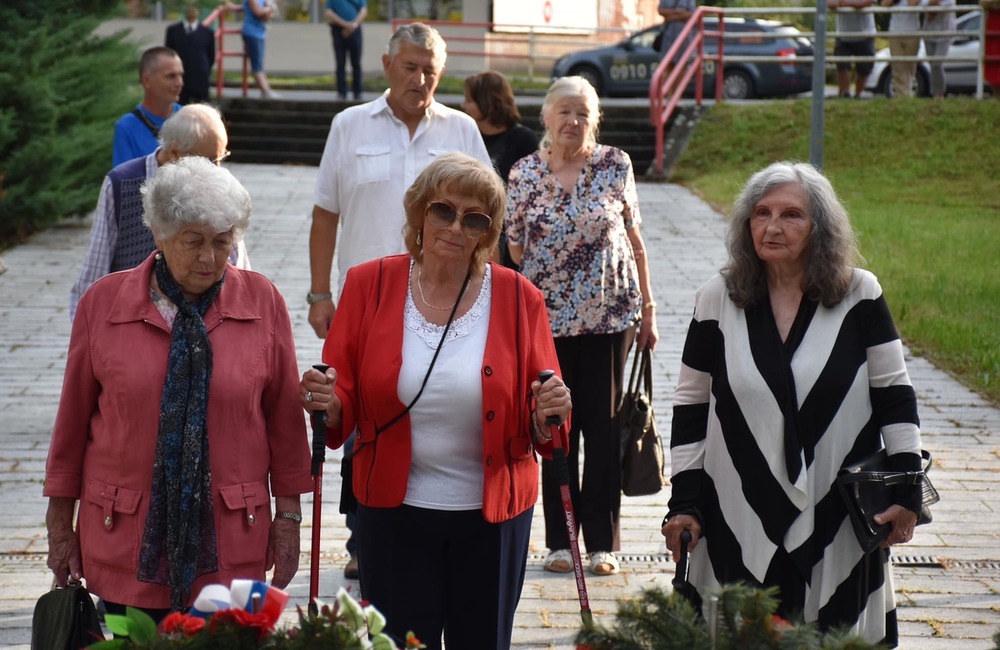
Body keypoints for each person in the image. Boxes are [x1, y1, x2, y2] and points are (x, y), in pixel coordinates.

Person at [299, 152, 572, 650]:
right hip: (392, 512)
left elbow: (548, 424)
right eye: (443, 210)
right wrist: (325, 399)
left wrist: (547, 408)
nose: (455, 226)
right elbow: (341, 394)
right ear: (420, 213)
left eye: (474, 218)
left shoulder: (519, 297)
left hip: (493, 515)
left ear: (487, 233)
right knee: (400, 643)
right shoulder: (368, 284)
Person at [660, 161, 924, 647]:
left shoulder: (859, 295)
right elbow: (690, 407)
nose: (773, 227)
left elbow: (894, 394)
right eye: (761, 213)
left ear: (820, 229)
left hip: (838, 518)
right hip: (735, 515)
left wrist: (907, 490)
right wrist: (686, 500)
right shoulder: (717, 298)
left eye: (791, 215)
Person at [45, 156, 312, 620]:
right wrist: (59, 528)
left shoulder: (263, 301)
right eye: (194, 242)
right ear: (160, 234)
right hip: (124, 536)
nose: (210, 258)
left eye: (222, 242)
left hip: (235, 541)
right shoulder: (103, 305)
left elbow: (285, 427)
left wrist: (288, 520)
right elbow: (70, 429)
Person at [308, 22, 490, 581]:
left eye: (431, 70)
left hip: (447, 296)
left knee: (430, 399)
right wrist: (320, 292)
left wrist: (492, 296)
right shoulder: (349, 125)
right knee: (360, 408)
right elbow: (325, 214)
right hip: (371, 298)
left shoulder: (461, 129)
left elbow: (488, 215)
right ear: (387, 66)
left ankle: (436, 516)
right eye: (411, 67)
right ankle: (364, 530)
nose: (421, 79)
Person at [505, 76, 659, 577]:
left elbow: (635, 240)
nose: (573, 122)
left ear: (595, 121)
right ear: (546, 118)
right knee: (554, 426)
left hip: (610, 318)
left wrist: (650, 309)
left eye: (583, 114)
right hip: (545, 322)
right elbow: (513, 250)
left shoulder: (615, 165)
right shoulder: (524, 173)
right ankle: (558, 540)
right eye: (565, 112)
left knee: (603, 425)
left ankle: (602, 544)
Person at [70, 103, 250, 320]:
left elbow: (239, 265)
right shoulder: (121, 184)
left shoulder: (221, 185)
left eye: (222, 158)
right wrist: (87, 329)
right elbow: (95, 269)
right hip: (134, 322)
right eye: (211, 160)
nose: (217, 169)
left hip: (208, 321)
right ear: (175, 153)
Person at [461, 71, 540, 270]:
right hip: (471, 232)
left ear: (487, 100)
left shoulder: (523, 140)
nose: (463, 106)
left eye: (469, 100)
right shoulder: (466, 136)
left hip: (511, 238)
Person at [112, 47, 183, 166]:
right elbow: (124, 181)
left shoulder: (189, 119)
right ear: (146, 80)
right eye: (171, 76)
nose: (179, 83)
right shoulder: (126, 128)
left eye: (181, 75)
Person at [165, 3, 216, 104]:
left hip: (200, 77)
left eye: (195, 7)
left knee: (201, 108)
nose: (192, 10)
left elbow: (211, 55)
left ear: (199, 11)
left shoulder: (207, 32)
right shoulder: (173, 31)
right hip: (180, 77)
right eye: (189, 7)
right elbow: (168, 53)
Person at [828, 0, 877, 98]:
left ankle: (858, 95)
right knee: (842, 64)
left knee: (864, 67)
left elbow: (867, 2)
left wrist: (845, 3)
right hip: (843, 34)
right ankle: (845, 94)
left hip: (865, 34)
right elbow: (830, 3)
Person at [325, 0, 367, 100]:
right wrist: (345, 25)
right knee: (340, 63)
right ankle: (341, 92)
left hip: (355, 30)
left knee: (356, 63)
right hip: (338, 30)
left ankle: (357, 92)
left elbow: (363, 10)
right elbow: (329, 12)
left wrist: (353, 25)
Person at [881, 0, 922, 97]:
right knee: (897, 67)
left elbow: (912, 5)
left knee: (910, 67)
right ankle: (901, 95)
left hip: (912, 32)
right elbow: (884, 5)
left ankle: (907, 93)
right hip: (895, 31)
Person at [242, 0, 279, 98]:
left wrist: (269, 9)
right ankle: (265, 91)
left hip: (260, 33)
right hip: (252, 33)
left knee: (260, 62)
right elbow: (257, 12)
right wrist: (269, 8)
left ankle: (266, 90)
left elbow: (270, 15)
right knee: (257, 64)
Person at [922, 0, 956, 99]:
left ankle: (939, 93)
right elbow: (924, 5)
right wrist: (931, 8)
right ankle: (935, 94)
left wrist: (931, 9)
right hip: (928, 33)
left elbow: (935, 9)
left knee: (937, 63)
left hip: (945, 34)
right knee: (932, 65)